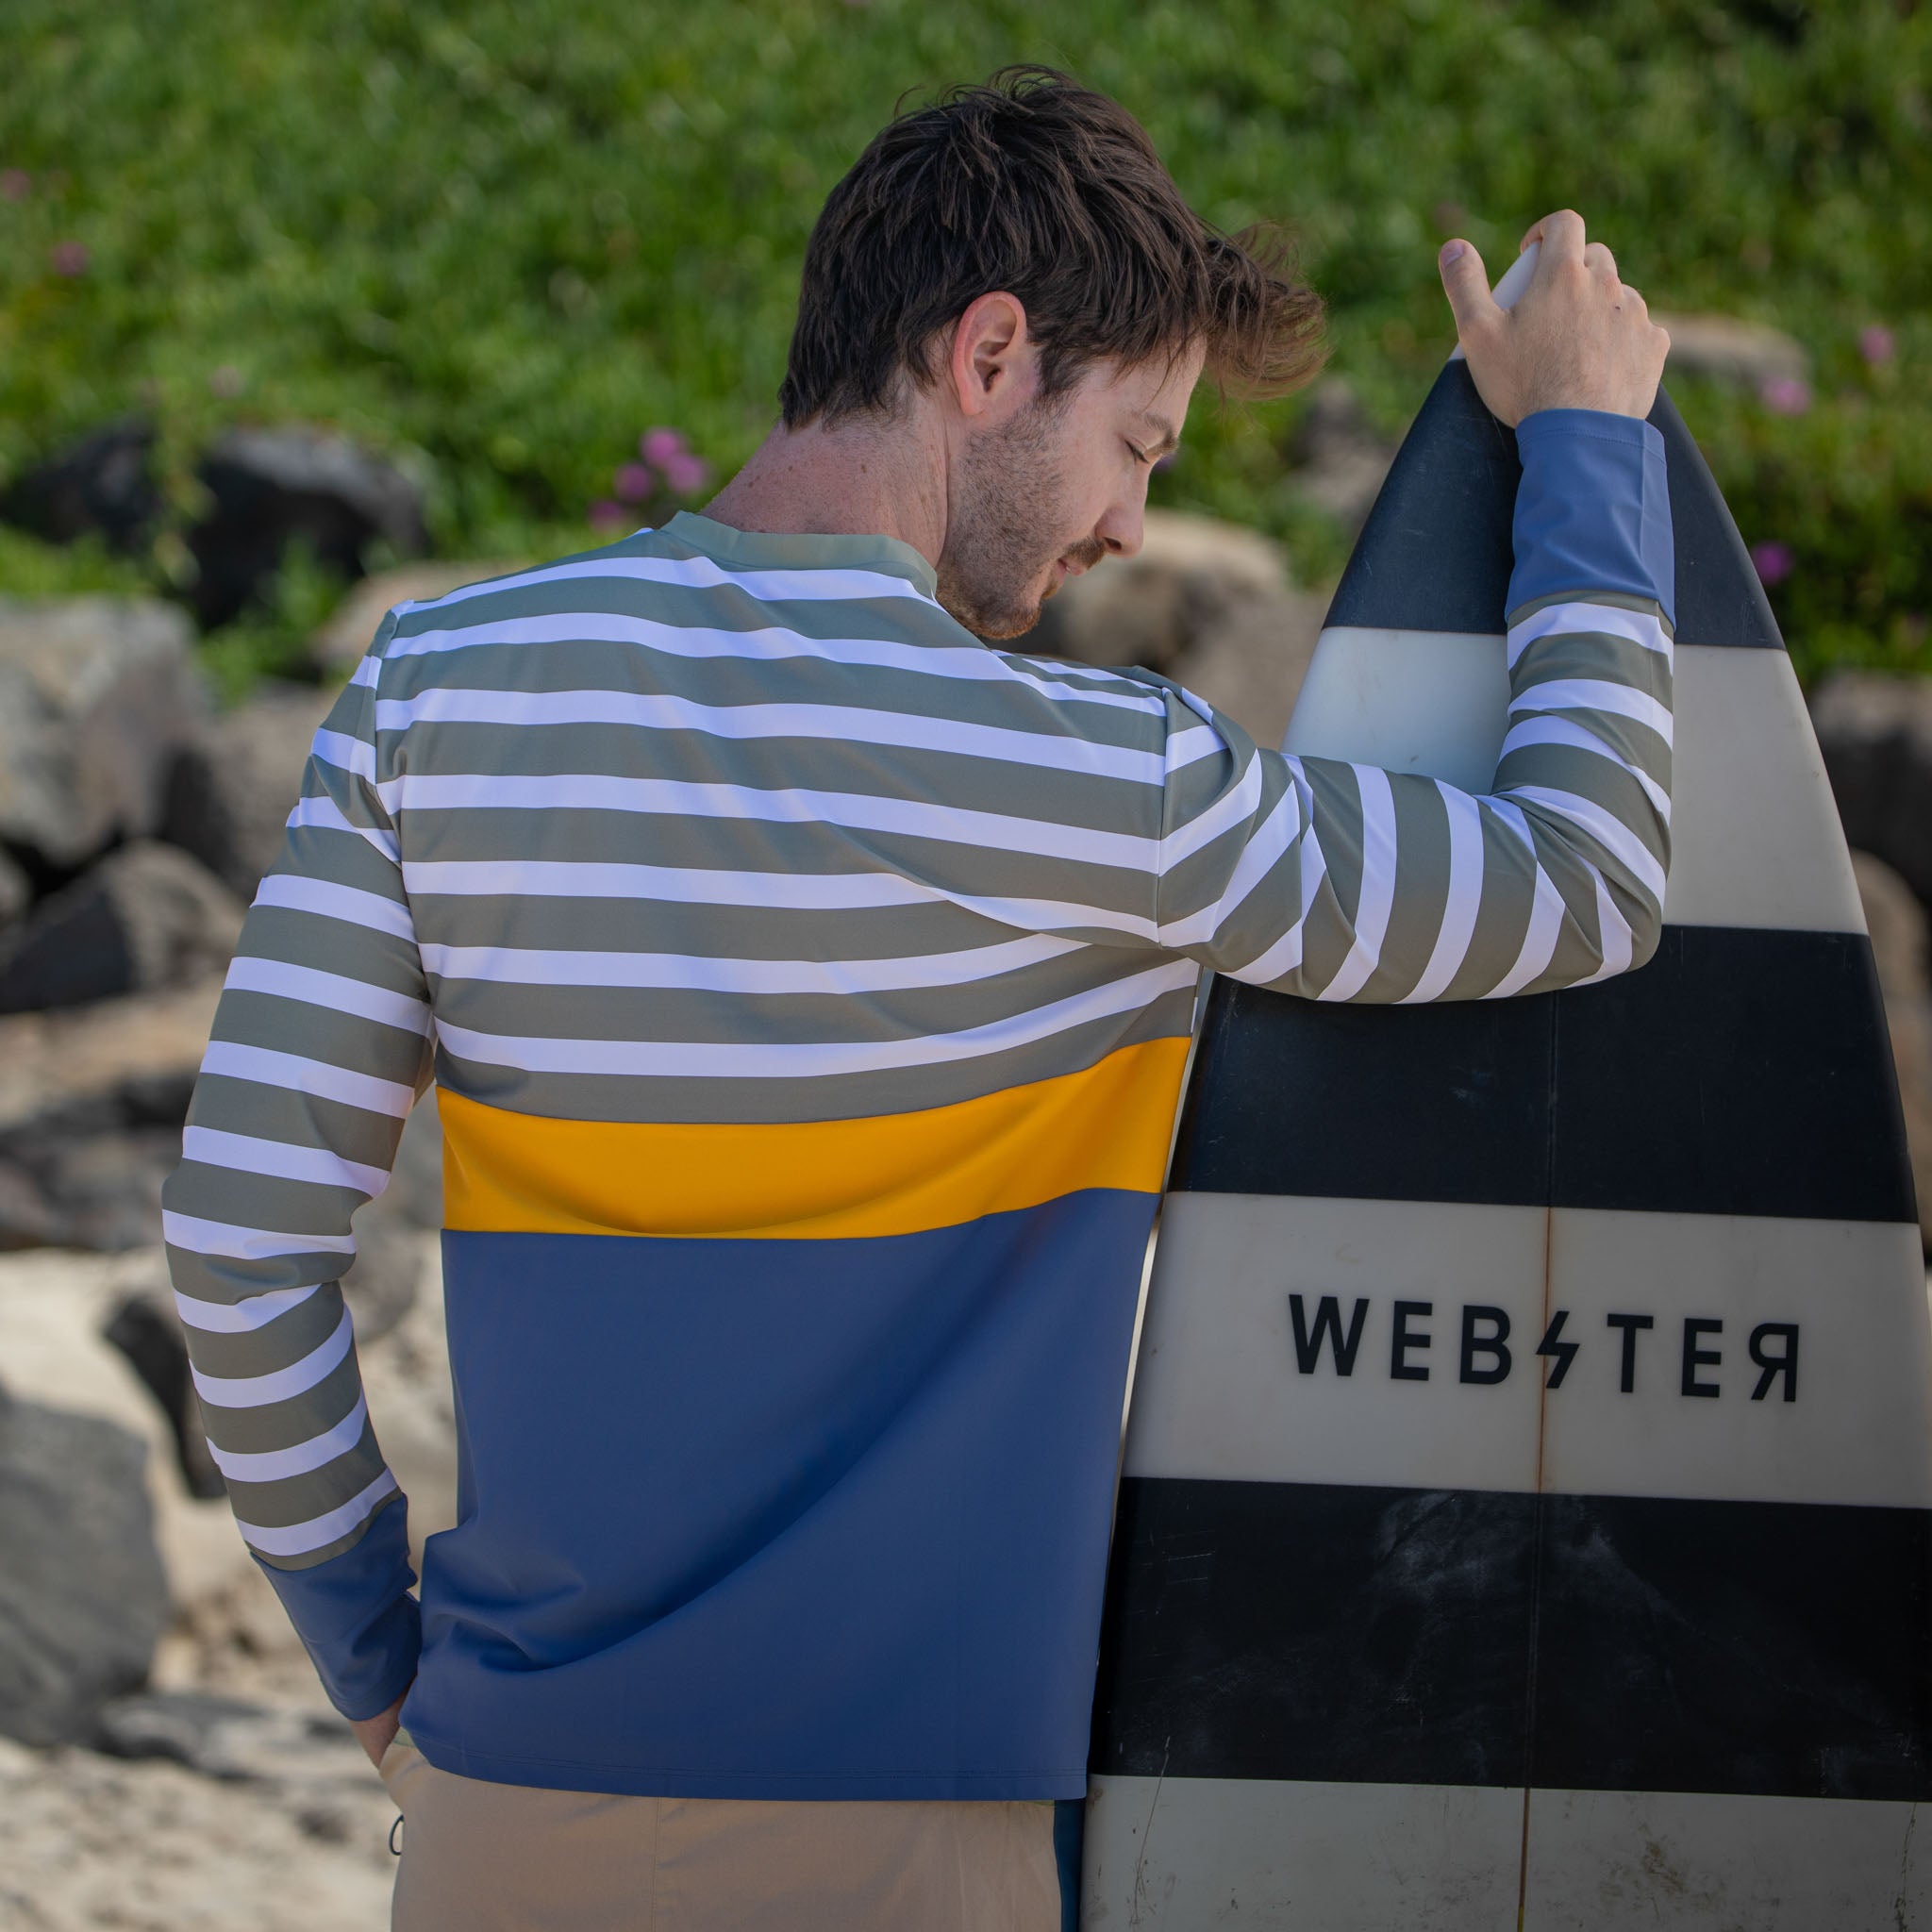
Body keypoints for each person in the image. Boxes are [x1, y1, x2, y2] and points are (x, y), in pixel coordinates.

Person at [162, 65, 1673, 1932]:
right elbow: (1587, 884)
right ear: (985, 355)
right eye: (1139, 441)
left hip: (506, 1820)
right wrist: (1593, 441)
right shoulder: (1107, 781)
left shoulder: (438, 687)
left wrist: (388, 1681)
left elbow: (237, 1242)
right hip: (893, 1837)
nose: (1130, 523)